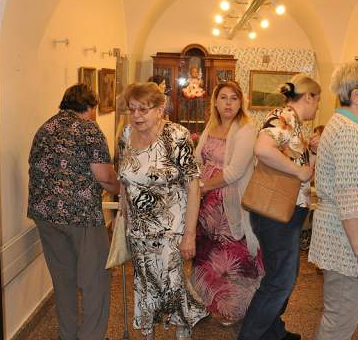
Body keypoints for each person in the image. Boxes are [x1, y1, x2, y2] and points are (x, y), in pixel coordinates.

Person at [28, 84, 119, 340]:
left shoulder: (45, 128)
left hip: (45, 214)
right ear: (90, 107)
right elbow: (104, 176)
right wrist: (122, 188)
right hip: (80, 216)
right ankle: (91, 336)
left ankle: (68, 335)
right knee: (95, 280)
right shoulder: (89, 129)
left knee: (63, 280)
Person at [117, 82, 208, 340]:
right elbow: (124, 178)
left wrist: (189, 235)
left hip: (171, 227)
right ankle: (149, 334)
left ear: (160, 109)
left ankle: (182, 330)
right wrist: (123, 216)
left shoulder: (176, 135)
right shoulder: (126, 134)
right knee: (146, 283)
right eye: (132, 109)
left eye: (143, 109)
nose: (136, 115)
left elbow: (193, 185)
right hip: (138, 229)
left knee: (171, 284)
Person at [308, 62, 358, 340]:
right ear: (356, 95)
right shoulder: (349, 133)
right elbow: (350, 200)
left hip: (341, 239)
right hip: (345, 244)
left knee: (339, 315)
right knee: (340, 319)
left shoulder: (344, 126)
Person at [238, 73, 321, 340]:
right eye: (317, 100)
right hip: (276, 216)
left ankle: (273, 332)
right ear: (308, 97)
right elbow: (263, 149)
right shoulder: (284, 117)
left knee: (284, 276)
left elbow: (297, 166)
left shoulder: (292, 123)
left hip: (283, 215)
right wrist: (297, 171)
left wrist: (311, 153)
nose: (317, 107)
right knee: (279, 281)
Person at [191, 80, 264, 326]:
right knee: (206, 256)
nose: (228, 103)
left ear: (241, 102)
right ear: (215, 101)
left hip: (230, 207)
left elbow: (234, 172)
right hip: (206, 208)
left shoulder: (245, 129)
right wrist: (195, 184)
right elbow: (197, 158)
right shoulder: (211, 125)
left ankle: (235, 309)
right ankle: (207, 303)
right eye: (223, 97)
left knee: (233, 259)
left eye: (234, 98)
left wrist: (202, 187)